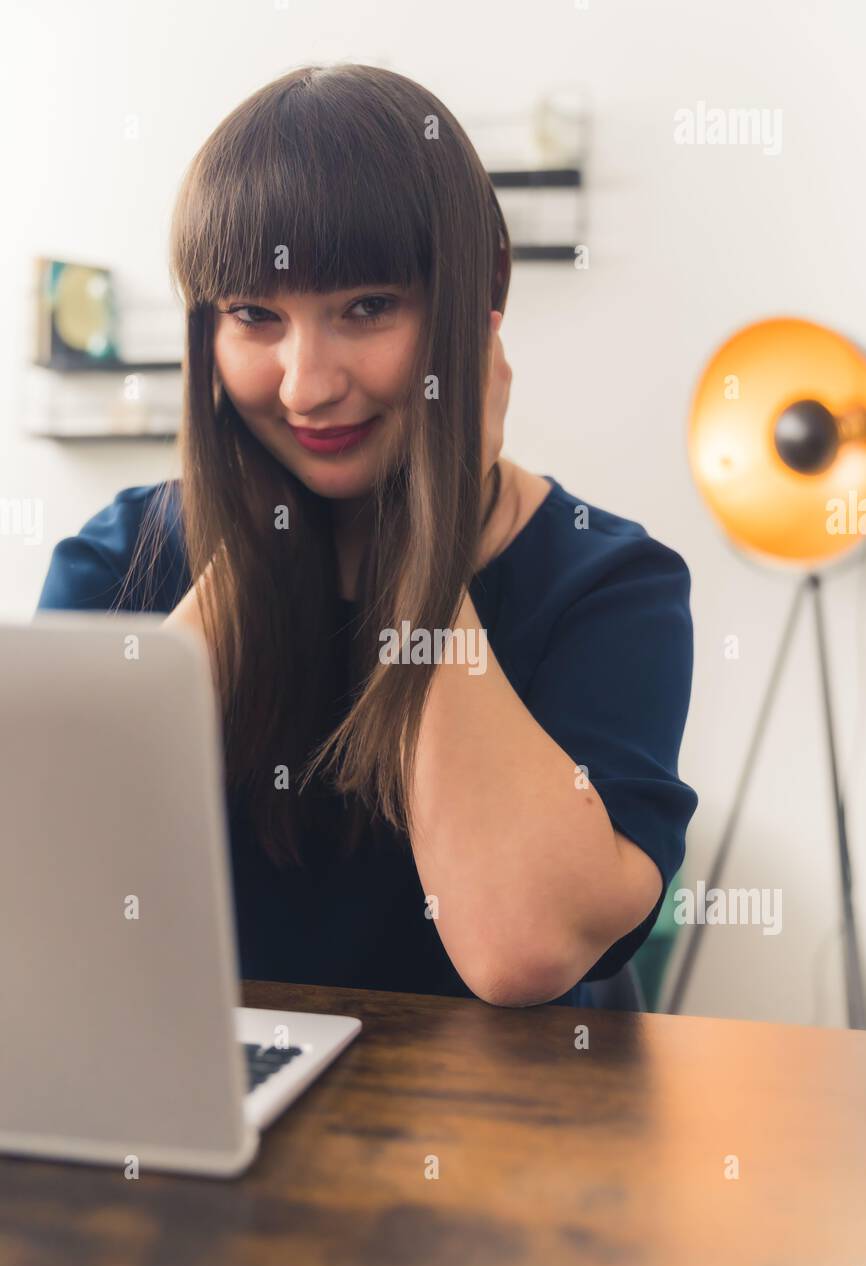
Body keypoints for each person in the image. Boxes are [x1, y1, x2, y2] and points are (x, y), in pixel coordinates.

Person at [36, 63, 698, 1010]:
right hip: (219, 1125)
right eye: (254, 317)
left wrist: (417, 538)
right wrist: (264, 544)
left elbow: (520, 950)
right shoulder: (121, 559)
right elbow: (51, 902)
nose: (305, 385)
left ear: (477, 311)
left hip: (516, 1139)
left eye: (367, 308)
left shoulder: (608, 585)